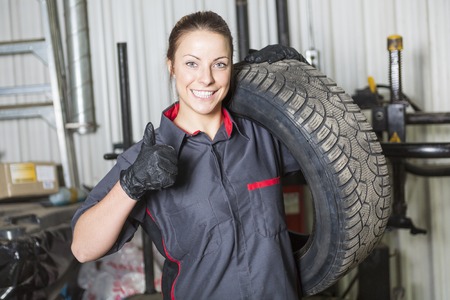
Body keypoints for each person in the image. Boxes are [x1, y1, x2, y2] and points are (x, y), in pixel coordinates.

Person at [71, 10, 307, 300]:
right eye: (191, 63)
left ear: (231, 68)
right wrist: (131, 184)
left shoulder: (264, 136)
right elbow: (83, 248)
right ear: (171, 66)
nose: (205, 79)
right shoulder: (146, 158)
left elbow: (337, 161)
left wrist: (301, 84)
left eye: (219, 64)